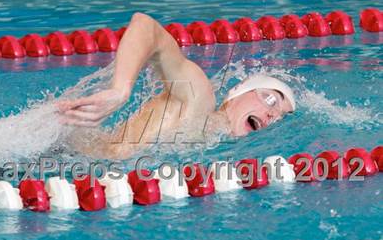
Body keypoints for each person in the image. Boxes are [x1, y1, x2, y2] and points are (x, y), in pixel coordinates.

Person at [57, 13, 296, 160]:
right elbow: (145, 26)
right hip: (63, 151)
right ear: (235, 95)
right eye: (271, 100)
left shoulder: (216, 146)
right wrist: (121, 90)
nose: (272, 115)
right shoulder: (199, 100)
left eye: (279, 116)